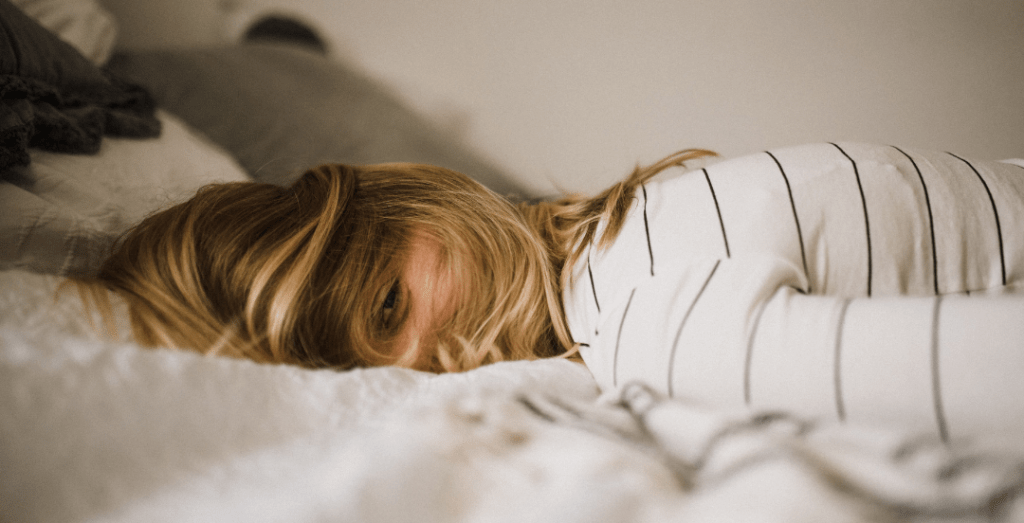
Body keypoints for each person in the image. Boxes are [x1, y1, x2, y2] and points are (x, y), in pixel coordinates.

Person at [76, 144, 1024, 438]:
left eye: (388, 308)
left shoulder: (651, 323)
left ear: (416, 198)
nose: (420, 368)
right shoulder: (632, 229)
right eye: (369, 365)